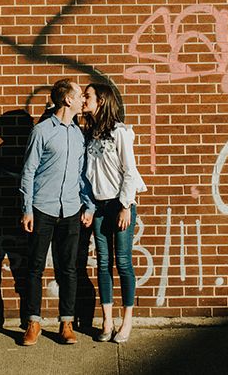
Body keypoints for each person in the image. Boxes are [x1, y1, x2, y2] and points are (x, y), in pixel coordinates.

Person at [19, 79, 94, 346]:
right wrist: (27, 208)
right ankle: (33, 322)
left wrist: (90, 204)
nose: (83, 100)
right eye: (79, 95)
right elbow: (28, 171)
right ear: (67, 100)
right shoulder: (41, 132)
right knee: (34, 267)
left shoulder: (78, 134)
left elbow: (82, 175)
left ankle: (66, 323)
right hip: (43, 208)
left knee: (69, 269)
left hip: (71, 209)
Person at [82, 82, 147, 344]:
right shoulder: (88, 134)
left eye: (88, 96)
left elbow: (129, 171)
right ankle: (107, 320)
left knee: (123, 261)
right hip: (98, 206)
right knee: (103, 263)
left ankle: (127, 321)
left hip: (120, 204)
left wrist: (125, 205)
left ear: (102, 101)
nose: (84, 100)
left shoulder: (120, 132)